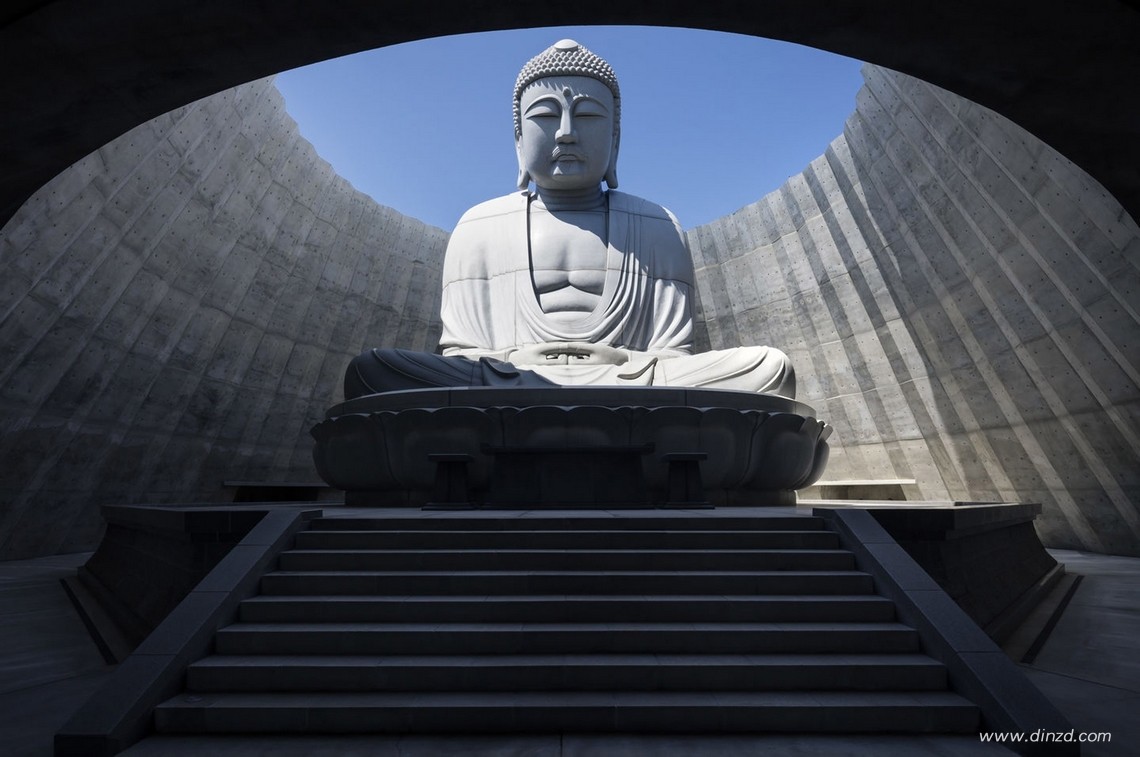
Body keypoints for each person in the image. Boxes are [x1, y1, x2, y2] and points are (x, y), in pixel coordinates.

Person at [345, 39, 795, 399]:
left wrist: (626, 368)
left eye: (587, 116)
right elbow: (465, 353)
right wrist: (511, 369)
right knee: (374, 370)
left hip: (629, 384)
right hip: (505, 380)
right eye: (544, 115)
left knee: (767, 369)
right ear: (519, 141)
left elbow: (670, 356)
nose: (565, 131)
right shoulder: (479, 225)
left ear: (615, 139)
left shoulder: (657, 224)